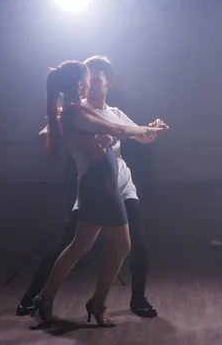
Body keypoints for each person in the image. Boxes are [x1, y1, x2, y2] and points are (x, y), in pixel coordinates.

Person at [17, 56, 168, 319]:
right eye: (88, 80)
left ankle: (123, 300)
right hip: (97, 183)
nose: (92, 85)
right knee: (81, 244)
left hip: (117, 182)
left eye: (96, 80)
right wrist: (84, 140)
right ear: (80, 84)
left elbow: (132, 133)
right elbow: (51, 133)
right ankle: (40, 297)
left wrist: (151, 130)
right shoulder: (76, 110)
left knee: (114, 243)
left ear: (108, 82)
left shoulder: (106, 111)